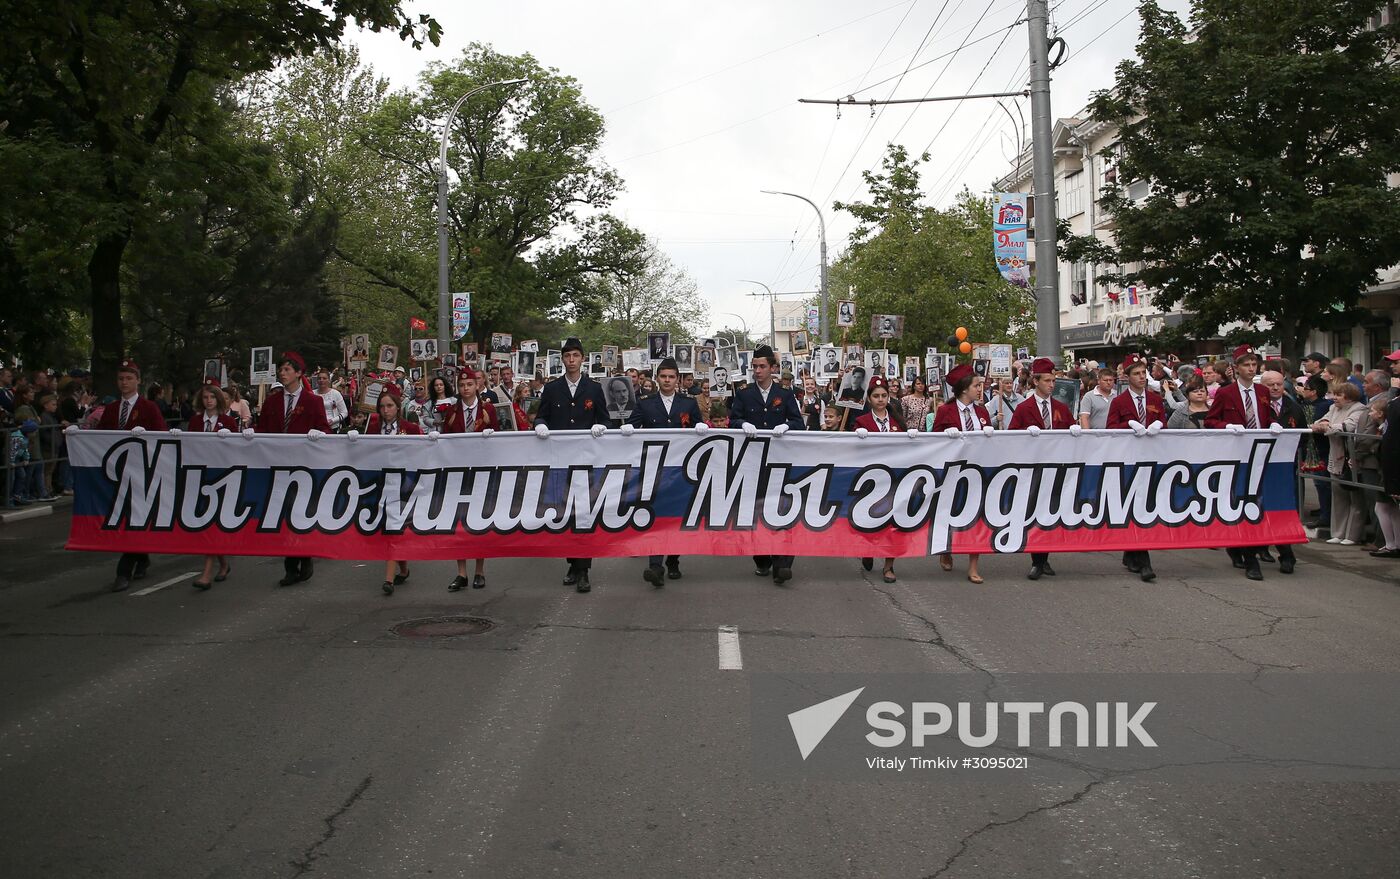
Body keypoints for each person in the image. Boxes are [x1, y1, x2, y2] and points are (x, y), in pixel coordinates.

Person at [534, 337, 611, 592]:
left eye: (576, 355)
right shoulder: (553, 388)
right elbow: (541, 416)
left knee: (584, 513)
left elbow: (605, 419)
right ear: (562, 359)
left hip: (587, 459)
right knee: (565, 512)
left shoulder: (594, 388)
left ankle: (584, 569)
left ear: (582, 359)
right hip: (560, 460)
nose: (571, 360)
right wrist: (540, 425)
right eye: (567, 356)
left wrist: (601, 427)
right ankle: (572, 563)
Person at [729, 345, 805, 585]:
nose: (757, 371)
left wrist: (787, 425)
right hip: (753, 459)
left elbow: (798, 423)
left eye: (762, 366)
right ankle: (762, 558)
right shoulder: (744, 394)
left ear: (773, 368)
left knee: (782, 509)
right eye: (754, 366)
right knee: (756, 510)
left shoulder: (785, 394)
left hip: (780, 459)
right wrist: (742, 424)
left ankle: (782, 563)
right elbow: (733, 420)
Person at [257, 351, 331, 587]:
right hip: (278, 465)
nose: (282, 373)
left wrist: (319, 433)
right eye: (281, 370)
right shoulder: (272, 401)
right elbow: (263, 430)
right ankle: (291, 565)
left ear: (299, 373)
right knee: (284, 515)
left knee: (299, 513)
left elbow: (325, 428)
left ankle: (303, 557)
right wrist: (250, 436)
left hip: (304, 466)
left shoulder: (312, 401)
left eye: (287, 369)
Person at [629, 357, 703, 586]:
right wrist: (626, 428)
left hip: (681, 467)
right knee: (657, 514)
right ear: (657, 378)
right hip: (655, 466)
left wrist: (701, 427)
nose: (667, 380)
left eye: (671, 377)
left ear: (677, 379)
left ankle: (673, 560)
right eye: (663, 376)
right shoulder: (645, 403)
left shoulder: (688, 403)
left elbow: (697, 428)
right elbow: (633, 426)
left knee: (676, 516)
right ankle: (655, 565)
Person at [98, 359, 169, 591]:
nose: (124, 382)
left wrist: (146, 436)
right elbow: (100, 439)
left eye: (129, 378)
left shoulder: (148, 408)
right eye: (121, 378)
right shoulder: (111, 409)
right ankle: (142, 556)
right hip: (118, 473)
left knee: (134, 518)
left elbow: (162, 436)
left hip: (141, 473)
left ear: (138, 381)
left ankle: (123, 571)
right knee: (125, 518)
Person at [1205, 344, 1274, 580]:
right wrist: (1227, 426)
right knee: (1240, 501)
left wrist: (1274, 424)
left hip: (1258, 452)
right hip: (1235, 454)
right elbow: (1211, 420)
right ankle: (1246, 554)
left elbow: (1267, 417)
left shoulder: (1263, 391)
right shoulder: (1226, 393)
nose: (1251, 368)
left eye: (1254, 364)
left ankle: (1250, 548)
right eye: (1246, 365)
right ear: (1236, 368)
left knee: (1256, 500)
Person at [1008, 358, 1073, 580]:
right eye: (1047, 381)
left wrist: (1074, 431)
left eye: (1053, 381)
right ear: (1036, 381)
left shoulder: (1061, 408)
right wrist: (1026, 434)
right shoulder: (1024, 408)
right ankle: (1037, 560)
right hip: (1033, 467)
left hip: (1056, 466)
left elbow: (1070, 432)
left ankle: (1044, 557)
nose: (1052, 385)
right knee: (1035, 511)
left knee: (1050, 512)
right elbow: (1012, 436)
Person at [437, 367, 500, 591]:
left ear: (477, 386)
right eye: (462, 385)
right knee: (459, 523)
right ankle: (461, 572)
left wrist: (491, 435)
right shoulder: (452, 411)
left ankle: (479, 571)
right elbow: (446, 440)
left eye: (470, 384)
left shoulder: (488, 409)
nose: (466, 388)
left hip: (482, 471)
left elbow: (500, 438)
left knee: (479, 521)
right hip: (459, 471)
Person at [1106, 354, 1167, 582]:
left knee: (1144, 505)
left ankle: (1131, 553)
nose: (1142, 377)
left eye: (1144, 373)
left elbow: (1163, 422)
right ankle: (1144, 561)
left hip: (1151, 458)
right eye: (1137, 374)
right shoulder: (1119, 402)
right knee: (1134, 505)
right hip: (1128, 459)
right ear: (1127, 376)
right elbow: (1110, 428)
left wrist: (1159, 424)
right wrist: (1129, 424)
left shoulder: (1155, 399)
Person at [927, 362, 988, 583]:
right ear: (964, 389)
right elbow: (934, 442)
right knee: (949, 512)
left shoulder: (982, 412)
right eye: (976, 386)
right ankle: (946, 548)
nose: (979, 389)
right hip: (952, 472)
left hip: (978, 471)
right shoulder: (945, 411)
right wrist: (945, 435)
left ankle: (973, 565)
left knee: (977, 516)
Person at [366, 385, 423, 595]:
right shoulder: (372, 429)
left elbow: (421, 454)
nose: (385, 410)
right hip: (380, 483)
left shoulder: (410, 428)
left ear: (398, 407)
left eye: (390, 405)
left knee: (393, 527)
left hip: (403, 485)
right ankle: (404, 569)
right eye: (382, 406)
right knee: (391, 528)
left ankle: (388, 579)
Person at [188, 383, 240, 590]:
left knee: (213, 522)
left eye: (212, 397)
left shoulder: (228, 422)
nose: (208, 401)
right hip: (200, 476)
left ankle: (207, 573)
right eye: (205, 397)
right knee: (206, 522)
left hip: (222, 477)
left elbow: (237, 450)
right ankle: (223, 564)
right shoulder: (195, 421)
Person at [853, 375, 905, 582]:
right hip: (871, 480)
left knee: (893, 522)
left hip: (895, 478)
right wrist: (857, 436)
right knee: (870, 519)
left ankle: (889, 566)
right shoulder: (862, 421)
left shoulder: (897, 421)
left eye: (884, 395)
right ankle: (868, 550)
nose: (881, 399)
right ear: (869, 399)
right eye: (876, 396)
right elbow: (852, 450)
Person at [1313, 381, 1367, 546]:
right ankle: (1338, 533)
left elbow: (1347, 427)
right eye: (1333, 394)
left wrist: (1326, 427)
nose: (1334, 398)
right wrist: (1325, 424)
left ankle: (1353, 534)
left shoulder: (1359, 409)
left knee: (1355, 498)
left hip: (1351, 458)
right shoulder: (1333, 408)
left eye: (1338, 395)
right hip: (1335, 457)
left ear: (1349, 396)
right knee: (1338, 497)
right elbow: (1319, 422)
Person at [315, 368, 348, 432]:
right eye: (319, 378)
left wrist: (333, 420)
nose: (321, 380)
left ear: (329, 380)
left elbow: (344, 412)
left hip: (333, 427)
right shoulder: (312, 393)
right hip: (316, 428)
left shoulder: (336, 393)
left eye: (324, 378)